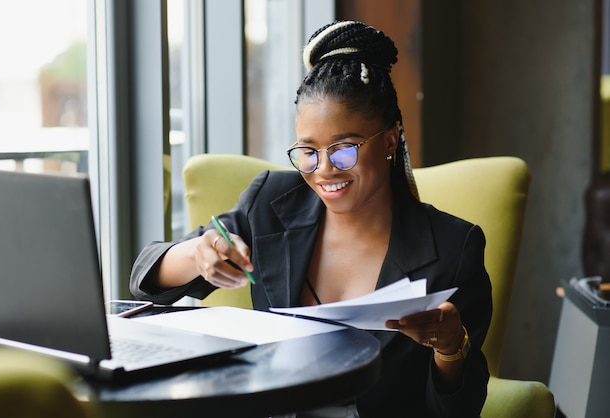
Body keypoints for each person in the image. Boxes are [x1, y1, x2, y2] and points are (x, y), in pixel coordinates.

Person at [130, 20, 491, 417]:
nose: (324, 170)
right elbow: (145, 279)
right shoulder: (271, 203)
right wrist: (198, 253)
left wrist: (451, 347)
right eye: (307, 151)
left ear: (390, 140)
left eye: (344, 149)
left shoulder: (453, 249)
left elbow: (459, 410)